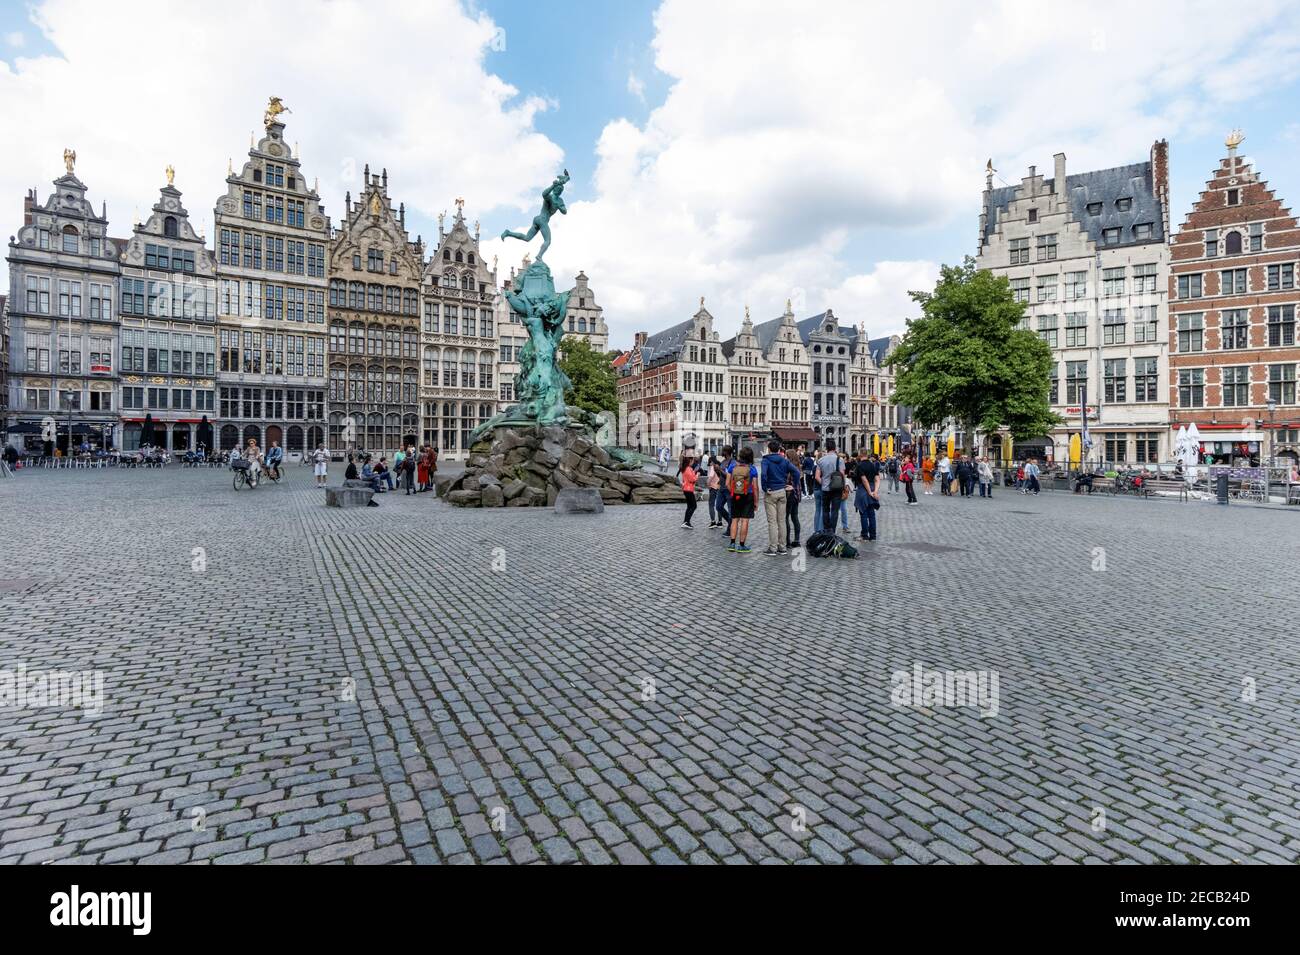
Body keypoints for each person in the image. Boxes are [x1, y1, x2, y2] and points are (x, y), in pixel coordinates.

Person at [760, 440, 799, 556]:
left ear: (769, 449)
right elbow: (796, 472)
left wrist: (764, 487)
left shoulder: (766, 460)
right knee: (781, 520)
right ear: (779, 449)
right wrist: (794, 485)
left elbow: (763, 474)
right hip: (782, 491)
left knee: (772, 522)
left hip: (771, 492)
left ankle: (773, 548)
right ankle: (782, 547)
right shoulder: (784, 460)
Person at [726, 446, 758, 553]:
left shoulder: (732, 466)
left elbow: (727, 483)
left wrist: (733, 492)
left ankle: (732, 544)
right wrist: (756, 501)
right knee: (745, 520)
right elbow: (756, 487)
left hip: (735, 496)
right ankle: (741, 545)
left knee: (734, 520)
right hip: (747, 496)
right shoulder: (752, 469)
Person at [815, 439, 847, 534]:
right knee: (835, 511)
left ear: (826, 448)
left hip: (825, 489)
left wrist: (824, 483)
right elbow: (842, 475)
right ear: (835, 448)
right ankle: (832, 530)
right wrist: (843, 487)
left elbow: (817, 477)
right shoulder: (840, 460)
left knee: (825, 510)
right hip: (837, 489)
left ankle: (826, 529)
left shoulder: (820, 460)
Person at [853, 449, 881, 542]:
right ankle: (873, 536)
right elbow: (877, 479)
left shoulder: (859, 466)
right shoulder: (873, 464)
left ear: (860, 455)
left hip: (863, 490)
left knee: (863, 514)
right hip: (873, 488)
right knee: (871, 514)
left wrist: (869, 492)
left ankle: (864, 535)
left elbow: (864, 480)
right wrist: (875, 491)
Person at [784, 446, 804, 548]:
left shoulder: (789, 467)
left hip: (790, 494)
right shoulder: (798, 466)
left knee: (786, 517)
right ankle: (797, 540)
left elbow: (788, 481)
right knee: (795, 517)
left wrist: (790, 486)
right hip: (797, 495)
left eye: (786, 456)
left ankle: (787, 541)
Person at [714, 446, 733, 531]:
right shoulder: (723, 462)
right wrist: (717, 471)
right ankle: (730, 523)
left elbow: (730, 476)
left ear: (726, 452)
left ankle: (730, 529)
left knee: (730, 509)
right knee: (718, 507)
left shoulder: (732, 462)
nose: (721, 452)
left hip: (728, 488)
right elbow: (721, 476)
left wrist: (720, 470)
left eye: (722, 450)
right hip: (721, 488)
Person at [678, 452, 699, 528]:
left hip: (686, 489)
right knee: (693, 506)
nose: (693, 462)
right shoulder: (688, 468)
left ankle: (686, 521)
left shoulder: (685, 468)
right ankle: (686, 522)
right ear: (690, 461)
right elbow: (692, 479)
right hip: (688, 489)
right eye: (693, 460)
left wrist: (695, 471)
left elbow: (690, 476)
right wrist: (697, 475)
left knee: (689, 506)